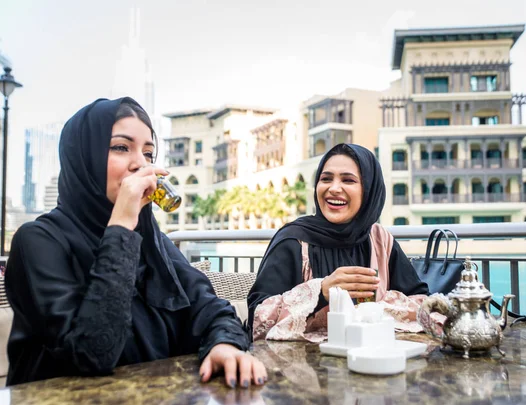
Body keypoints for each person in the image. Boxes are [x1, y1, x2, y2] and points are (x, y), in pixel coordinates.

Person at [5, 98, 267, 387]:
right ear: (84, 158)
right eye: (120, 147)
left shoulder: (153, 242)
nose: (140, 163)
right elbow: (92, 353)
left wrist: (224, 346)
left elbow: (211, 308)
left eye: (148, 153)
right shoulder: (38, 241)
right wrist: (121, 227)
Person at [247, 143, 429, 341]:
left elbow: (421, 305)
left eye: (348, 180)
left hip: (371, 358)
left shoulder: (379, 240)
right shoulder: (293, 240)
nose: (333, 188)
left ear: (368, 190)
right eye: (326, 179)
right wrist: (320, 292)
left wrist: (372, 308)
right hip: (300, 366)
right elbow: (257, 319)